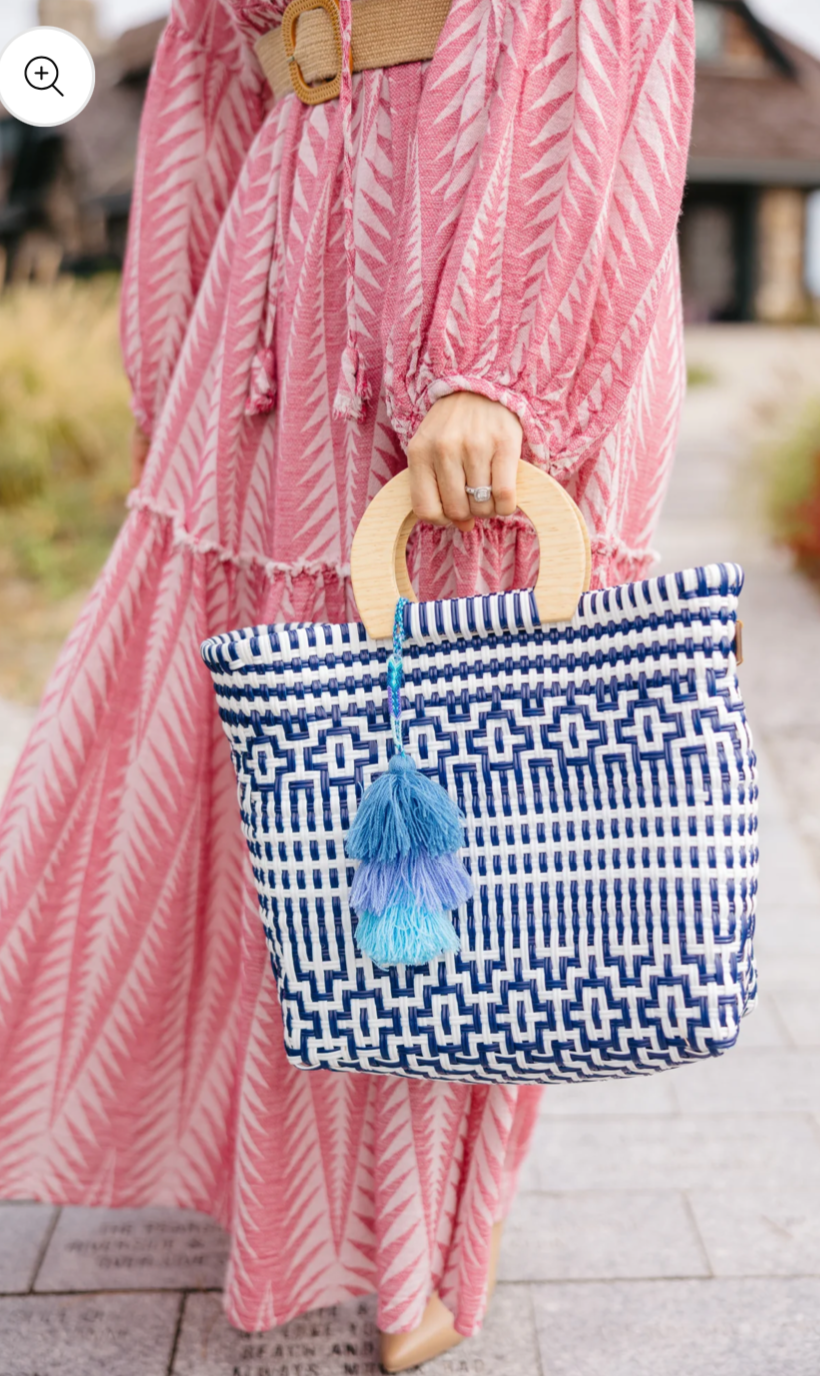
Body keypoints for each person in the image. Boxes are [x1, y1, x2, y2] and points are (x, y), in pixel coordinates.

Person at [0, 0, 694, 1369]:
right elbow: (213, 62)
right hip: (284, 275)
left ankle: (415, 1239)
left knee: (446, 775)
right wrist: (183, 331)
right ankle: (295, 1207)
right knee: (284, 757)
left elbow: (598, 29)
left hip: (471, 267)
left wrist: (500, 362)